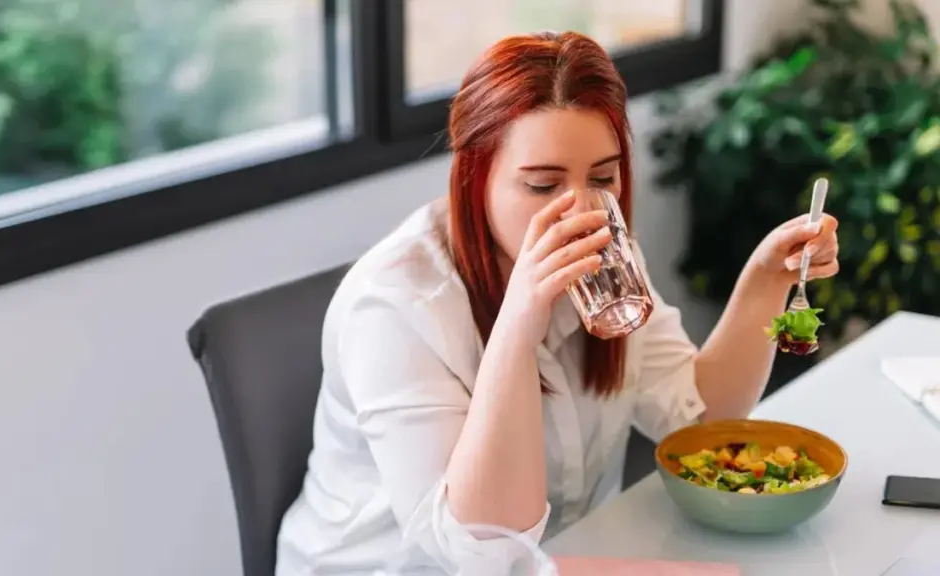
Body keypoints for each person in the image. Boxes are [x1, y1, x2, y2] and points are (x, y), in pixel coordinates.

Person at [275, 31, 839, 575]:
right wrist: (520, 325)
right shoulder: (395, 305)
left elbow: (701, 418)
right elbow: (481, 550)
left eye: (604, 177)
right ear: (474, 180)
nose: (581, 214)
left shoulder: (608, 259)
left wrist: (768, 279)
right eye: (543, 187)